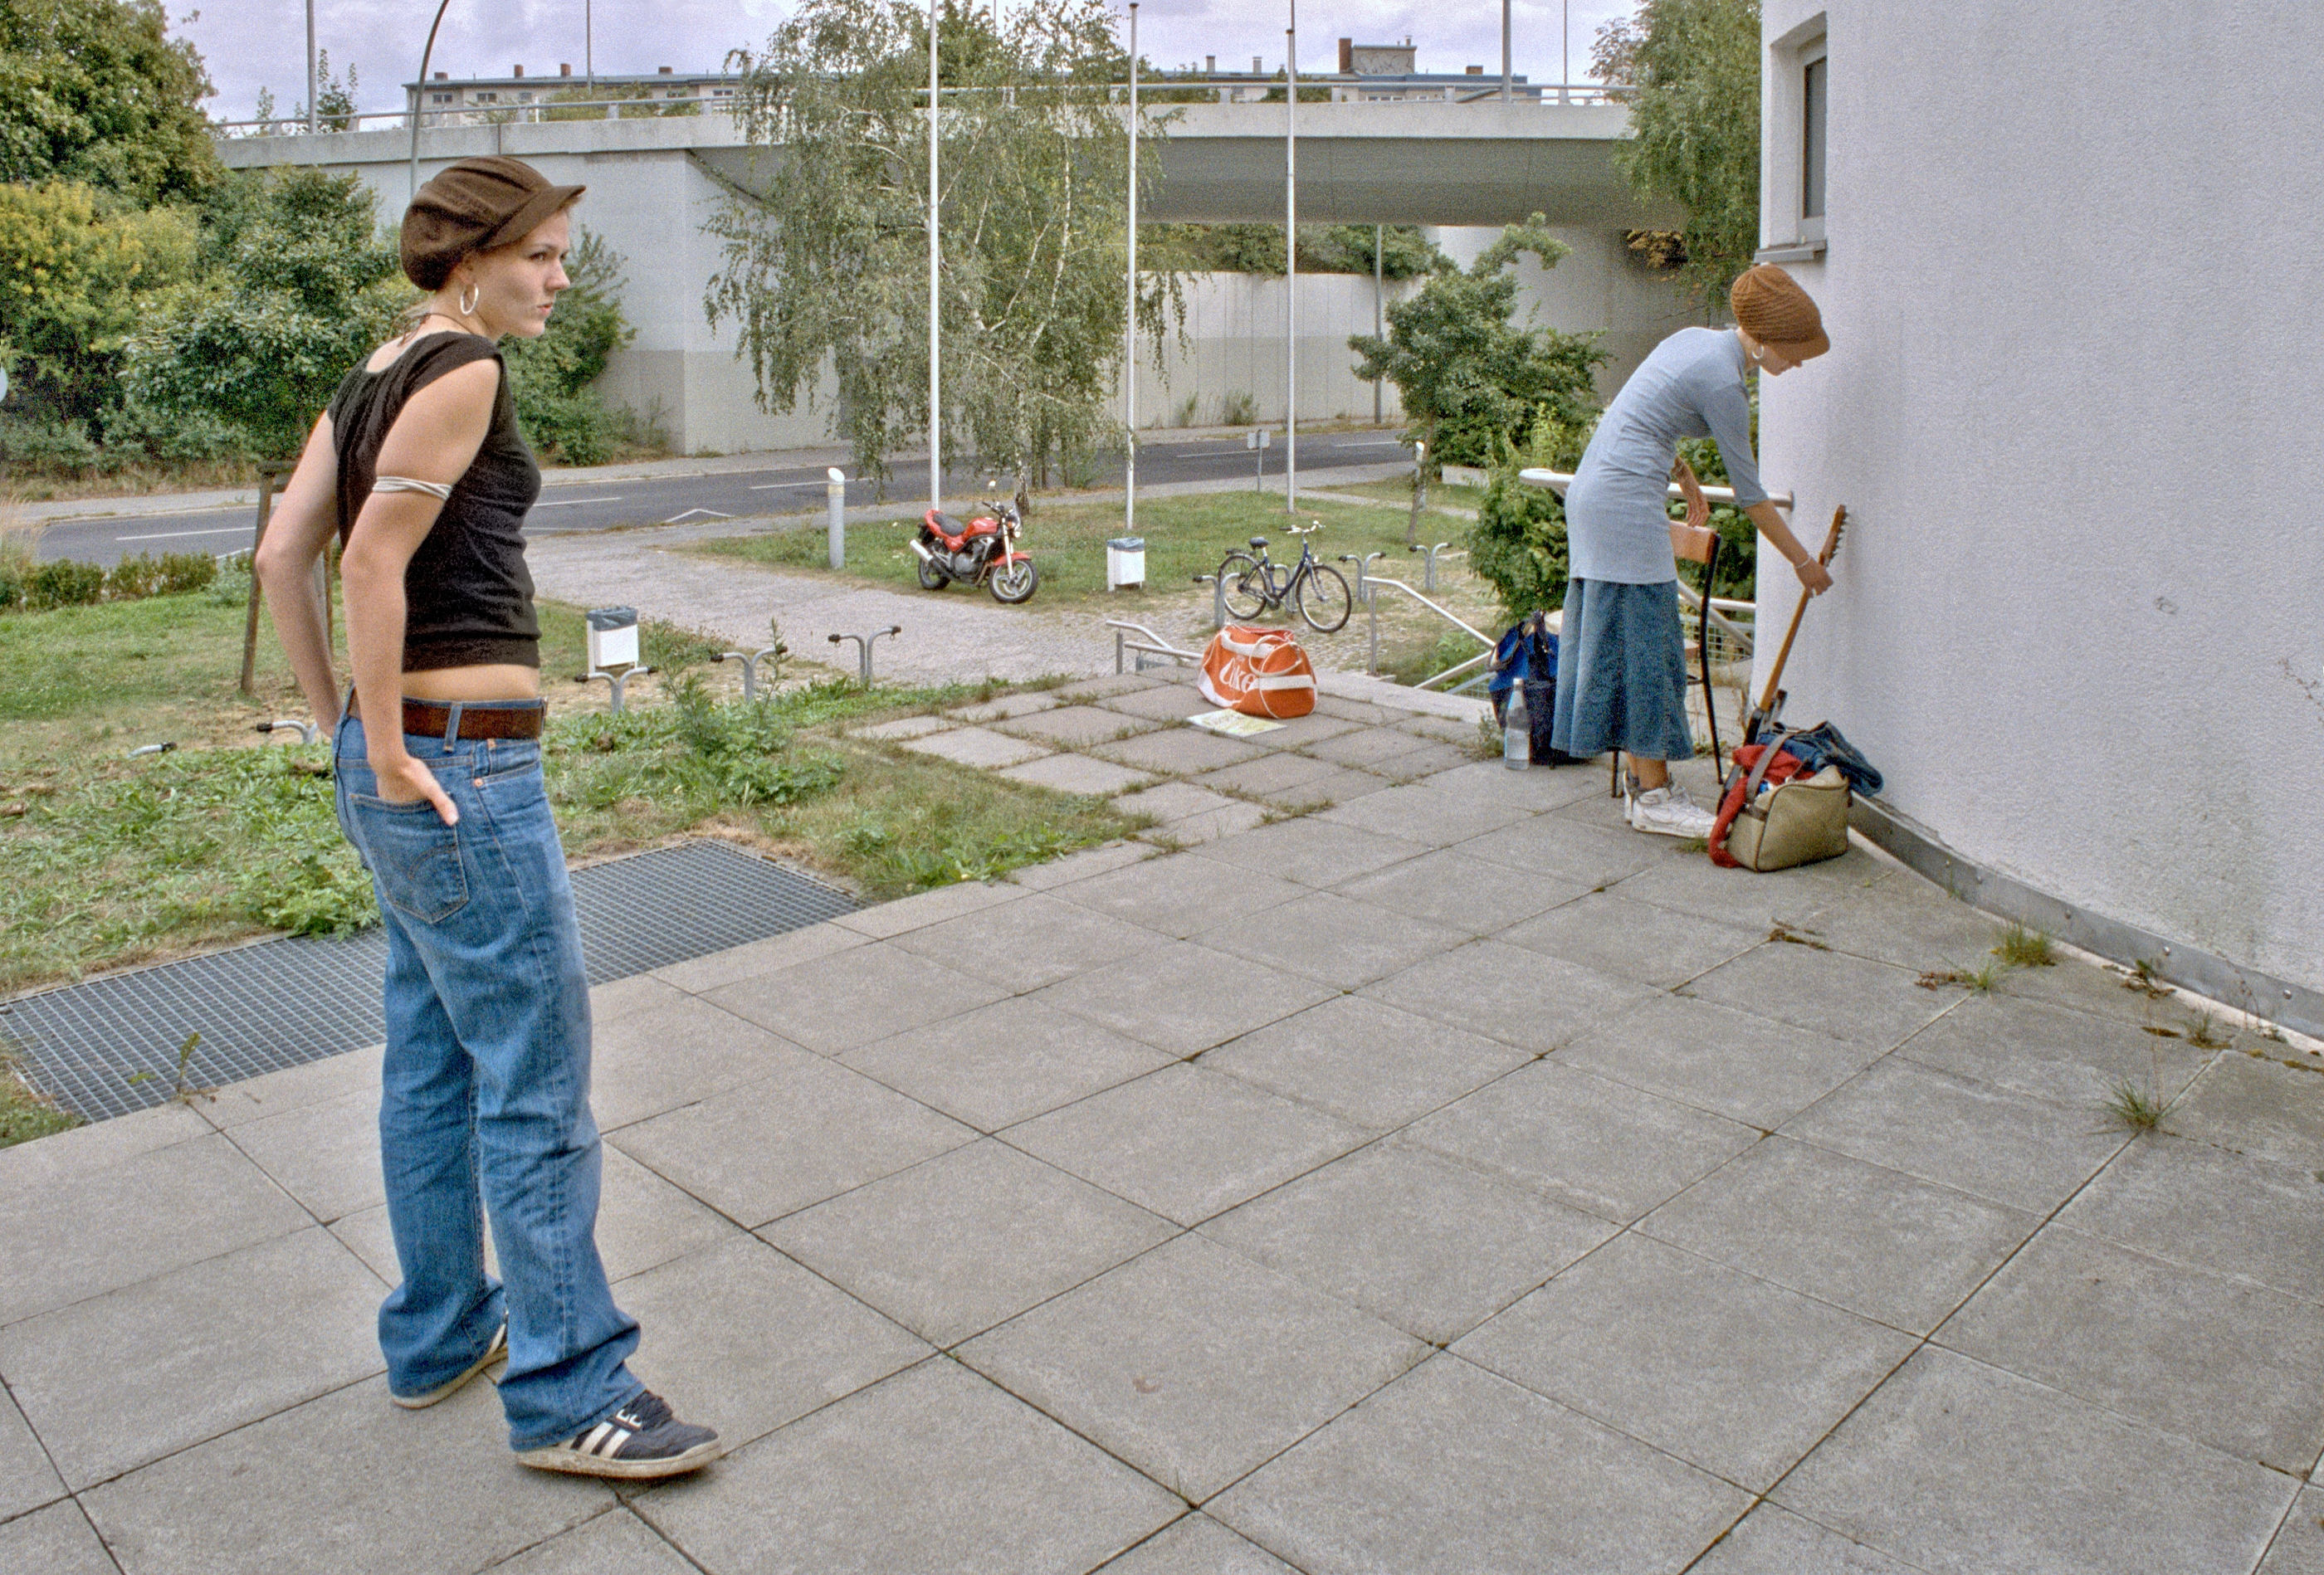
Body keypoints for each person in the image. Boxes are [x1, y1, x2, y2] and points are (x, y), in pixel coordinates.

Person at [254, 156, 720, 1480]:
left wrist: (347, 730)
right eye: (546, 256)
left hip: (413, 767)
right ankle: (574, 1388)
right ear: (472, 255)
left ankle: (442, 1331)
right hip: (465, 773)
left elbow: (279, 552)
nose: (564, 279)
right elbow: (366, 562)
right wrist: (390, 746)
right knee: (536, 1081)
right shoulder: (462, 371)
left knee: (432, 1059)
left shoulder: (376, 369)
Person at [1550, 263, 1835, 837]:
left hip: (1598, 490)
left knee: (1629, 644)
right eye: (1795, 350)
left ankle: (1642, 789)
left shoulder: (1696, 343)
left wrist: (1682, 474)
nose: (1799, 362)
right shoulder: (1726, 385)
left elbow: (1639, 416)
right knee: (1647, 647)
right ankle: (1655, 797)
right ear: (1764, 339)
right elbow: (1753, 497)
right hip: (1622, 504)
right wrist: (1804, 564)